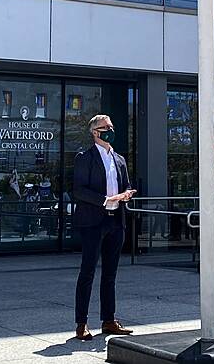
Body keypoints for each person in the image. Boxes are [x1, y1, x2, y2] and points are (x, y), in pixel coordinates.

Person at [72, 114, 136, 341]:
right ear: (94, 132)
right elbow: (78, 190)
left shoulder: (119, 159)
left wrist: (127, 194)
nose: (110, 129)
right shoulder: (85, 157)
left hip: (115, 222)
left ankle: (109, 320)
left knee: (110, 274)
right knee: (87, 272)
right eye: (105, 127)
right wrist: (105, 200)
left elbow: (126, 184)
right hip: (93, 222)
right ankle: (81, 323)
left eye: (111, 125)